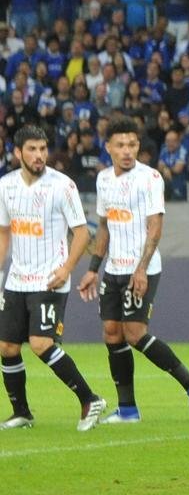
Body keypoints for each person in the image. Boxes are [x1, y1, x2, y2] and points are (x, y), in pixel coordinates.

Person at [77, 119, 189, 424]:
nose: (127, 151)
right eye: (121, 145)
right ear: (108, 147)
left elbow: (156, 227)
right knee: (112, 333)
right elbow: (104, 226)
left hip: (143, 268)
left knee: (135, 334)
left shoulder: (150, 178)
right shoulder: (103, 180)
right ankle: (127, 410)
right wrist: (92, 270)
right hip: (113, 268)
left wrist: (140, 269)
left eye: (133, 145)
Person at [0, 126, 106, 431]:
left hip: (49, 279)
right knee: (7, 346)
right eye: (32, 149)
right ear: (18, 153)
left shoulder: (63, 186)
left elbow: (82, 232)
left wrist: (66, 269)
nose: (39, 156)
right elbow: (5, 232)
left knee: (40, 343)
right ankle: (21, 412)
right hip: (17, 279)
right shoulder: (6, 186)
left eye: (43, 149)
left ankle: (90, 399)